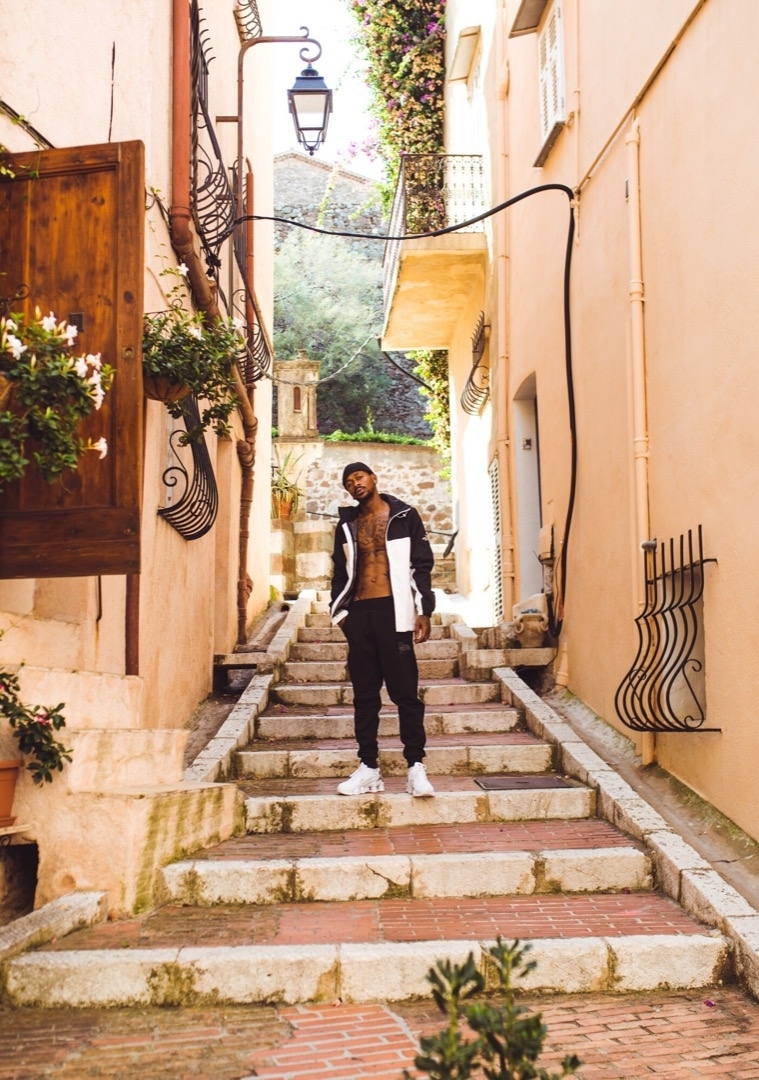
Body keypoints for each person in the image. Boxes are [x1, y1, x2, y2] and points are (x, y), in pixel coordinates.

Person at [330, 461, 436, 797]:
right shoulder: (347, 525)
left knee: (405, 694)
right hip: (359, 614)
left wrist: (423, 610)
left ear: (373, 478)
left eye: (359, 477)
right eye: (348, 482)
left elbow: (421, 564)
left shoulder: (404, 516)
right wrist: (340, 614)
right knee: (364, 696)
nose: (355, 484)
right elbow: (339, 572)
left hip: (395, 612)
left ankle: (415, 767)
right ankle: (368, 768)